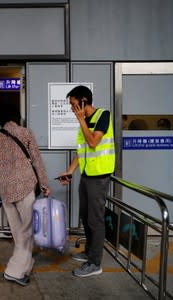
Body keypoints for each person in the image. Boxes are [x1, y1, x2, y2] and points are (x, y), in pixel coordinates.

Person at [0, 105, 51, 287]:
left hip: (7, 189)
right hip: (25, 187)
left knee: (18, 232)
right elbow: (37, 160)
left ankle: (25, 264)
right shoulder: (26, 133)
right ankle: (15, 271)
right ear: (17, 117)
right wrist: (44, 184)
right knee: (26, 231)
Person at [57, 85, 115, 278]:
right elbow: (81, 151)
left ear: (83, 101)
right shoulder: (83, 122)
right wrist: (70, 172)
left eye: (74, 104)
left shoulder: (103, 116)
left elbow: (93, 142)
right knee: (84, 215)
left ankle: (95, 263)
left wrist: (81, 119)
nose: (72, 109)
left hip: (99, 177)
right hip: (87, 175)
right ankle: (89, 252)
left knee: (95, 220)